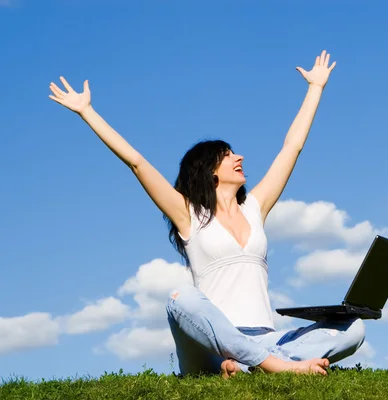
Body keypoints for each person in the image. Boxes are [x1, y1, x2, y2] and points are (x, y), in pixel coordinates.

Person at [48, 50, 366, 378]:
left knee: (353, 329)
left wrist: (316, 88)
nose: (239, 157)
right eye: (228, 155)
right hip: (210, 344)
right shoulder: (187, 215)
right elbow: (137, 162)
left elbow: (291, 147)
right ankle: (270, 366)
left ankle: (252, 364)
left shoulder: (255, 208)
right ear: (209, 171)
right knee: (180, 298)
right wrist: (87, 112)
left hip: (266, 338)